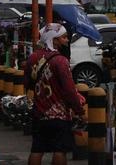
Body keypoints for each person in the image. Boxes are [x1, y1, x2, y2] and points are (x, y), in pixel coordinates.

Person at [24, 23, 85, 165]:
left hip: (39, 113)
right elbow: (69, 90)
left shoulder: (32, 58)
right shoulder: (61, 61)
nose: (67, 40)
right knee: (60, 151)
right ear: (54, 40)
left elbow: (27, 83)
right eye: (64, 37)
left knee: (37, 149)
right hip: (59, 115)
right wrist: (79, 110)